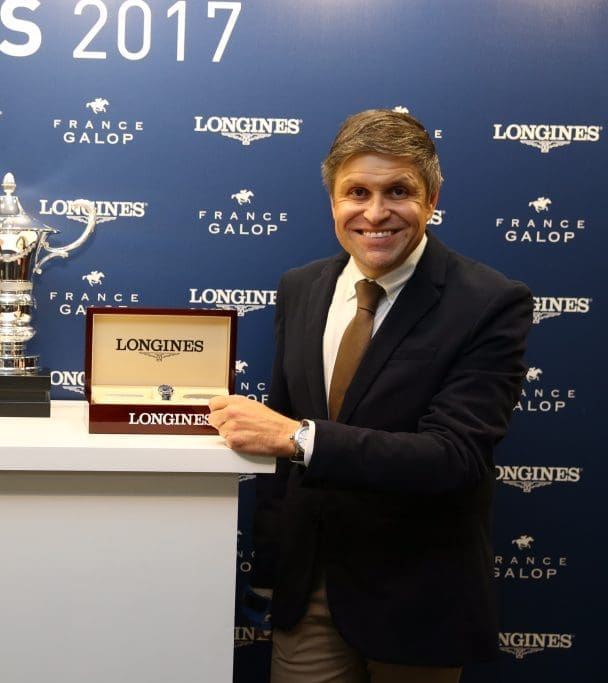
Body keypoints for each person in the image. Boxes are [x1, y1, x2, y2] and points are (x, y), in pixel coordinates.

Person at [208, 109, 532, 682]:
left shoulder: (489, 301)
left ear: (431, 198)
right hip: (307, 592)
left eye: (398, 191)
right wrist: (272, 566)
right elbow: (283, 457)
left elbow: (455, 456)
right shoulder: (301, 288)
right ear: (333, 199)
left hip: (418, 595)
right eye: (356, 191)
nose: (375, 212)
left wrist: (299, 437)